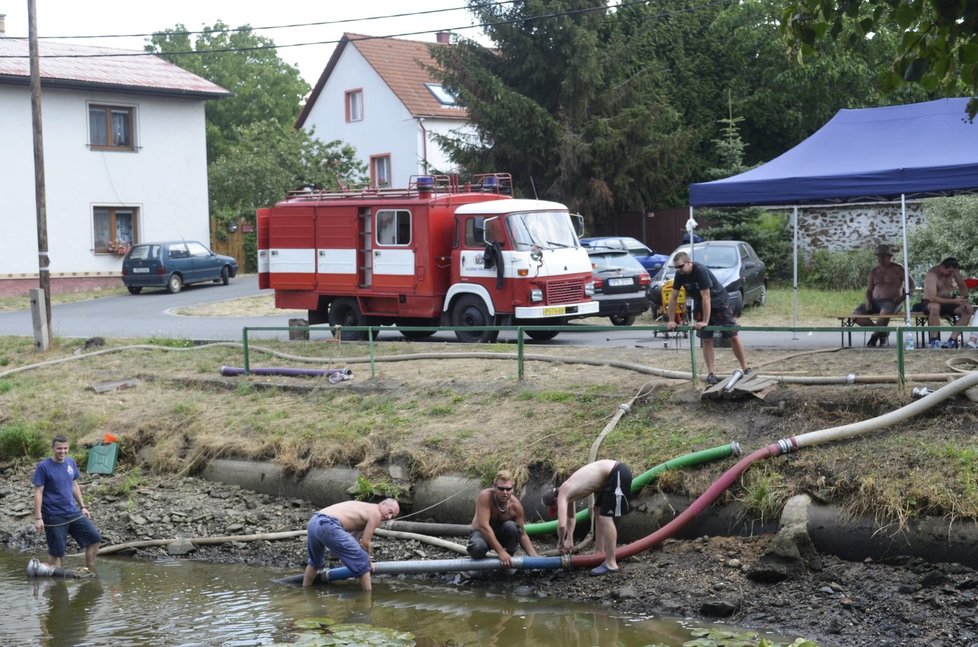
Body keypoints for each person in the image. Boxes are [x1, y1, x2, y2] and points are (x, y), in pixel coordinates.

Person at [665, 250, 751, 385]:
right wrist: (671, 320)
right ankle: (711, 374)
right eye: (676, 267)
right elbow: (673, 298)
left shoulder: (700, 271)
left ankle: (746, 368)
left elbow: (707, 296)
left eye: (680, 266)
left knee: (732, 336)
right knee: (706, 339)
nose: (678, 269)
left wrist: (705, 321)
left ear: (689, 263)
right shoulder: (679, 275)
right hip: (701, 305)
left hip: (719, 303)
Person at [542, 459, 633, 576]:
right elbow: (570, 517)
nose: (558, 508)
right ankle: (599, 552)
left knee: (605, 518)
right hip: (613, 475)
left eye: (555, 507)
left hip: (617, 473)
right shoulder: (567, 490)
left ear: (555, 500)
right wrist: (569, 538)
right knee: (598, 509)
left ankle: (611, 563)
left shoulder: (562, 494)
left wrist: (560, 542)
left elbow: (562, 524)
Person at [32, 435, 102, 572]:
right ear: (53, 448)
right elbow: (38, 492)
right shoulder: (43, 467)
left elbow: (74, 485)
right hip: (53, 515)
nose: (63, 451)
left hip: (73, 512)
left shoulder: (71, 463)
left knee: (94, 538)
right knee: (56, 551)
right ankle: (56, 585)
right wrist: (38, 518)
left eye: (65, 448)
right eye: (59, 448)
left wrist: (83, 506)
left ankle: (90, 570)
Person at [302, 498, 400, 591]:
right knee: (363, 560)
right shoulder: (376, 513)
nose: (389, 517)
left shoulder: (366, 509)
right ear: (382, 504)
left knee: (315, 563)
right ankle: (367, 600)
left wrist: (348, 560)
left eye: (393, 516)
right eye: (390, 512)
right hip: (328, 524)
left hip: (314, 521)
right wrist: (368, 563)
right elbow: (366, 543)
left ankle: (305, 592)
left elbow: (354, 539)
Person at [467, 470, 538, 568]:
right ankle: (478, 566)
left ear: (512, 489)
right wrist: (501, 552)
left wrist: (535, 558)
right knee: (477, 547)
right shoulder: (485, 497)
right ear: (494, 487)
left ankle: (509, 560)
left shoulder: (516, 506)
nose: (505, 492)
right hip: (482, 535)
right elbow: (483, 527)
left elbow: (522, 534)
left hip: (502, 536)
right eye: (501, 489)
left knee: (512, 527)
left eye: (508, 489)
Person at [852, 243, 915, 347]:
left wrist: (902, 298)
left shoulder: (898, 269)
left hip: (892, 302)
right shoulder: (874, 272)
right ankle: (883, 332)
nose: (881, 258)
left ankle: (874, 337)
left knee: (884, 313)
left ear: (889, 257)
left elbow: (912, 285)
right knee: (855, 315)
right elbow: (869, 290)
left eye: (883, 256)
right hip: (875, 302)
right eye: (879, 256)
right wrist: (868, 300)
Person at [919, 257, 972, 348]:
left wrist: (965, 301)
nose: (951, 274)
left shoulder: (953, 271)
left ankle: (951, 341)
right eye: (949, 272)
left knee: (968, 310)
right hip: (930, 302)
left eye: (953, 272)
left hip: (948, 301)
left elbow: (963, 288)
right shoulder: (932, 274)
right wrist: (954, 301)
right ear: (942, 267)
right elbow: (933, 298)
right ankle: (934, 341)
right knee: (935, 307)